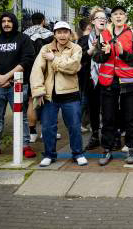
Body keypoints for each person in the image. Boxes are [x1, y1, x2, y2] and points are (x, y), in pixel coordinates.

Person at [0, 12, 36, 158]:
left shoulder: (23, 39)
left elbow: (27, 60)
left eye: (9, 21)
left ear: (14, 22)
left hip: (17, 85)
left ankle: (25, 145)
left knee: (21, 116)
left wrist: (6, 77)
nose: (6, 24)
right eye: (3, 21)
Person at [30, 21, 87, 167]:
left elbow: (73, 66)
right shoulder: (45, 48)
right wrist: (38, 91)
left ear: (69, 33)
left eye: (65, 31)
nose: (62, 35)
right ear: (54, 34)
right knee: (48, 127)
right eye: (59, 32)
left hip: (71, 93)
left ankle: (78, 153)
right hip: (50, 94)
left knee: (74, 126)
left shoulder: (76, 48)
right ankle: (49, 155)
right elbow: (37, 70)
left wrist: (54, 59)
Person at [93, 5, 133, 166]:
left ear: (126, 17)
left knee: (131, 118)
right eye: (115, 14)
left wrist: (122, 53)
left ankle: (132, 148)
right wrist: (105, 53)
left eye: (121, 14)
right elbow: (97, 58)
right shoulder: (103, 35)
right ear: (111, 18)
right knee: (107, 118)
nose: (118, 17)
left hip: (129, 83)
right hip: (108, 82)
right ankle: (107, 150)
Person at [23, 12, 55, 143]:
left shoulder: (24, 35)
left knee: (31, 100)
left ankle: (32, 132)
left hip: (29, 71)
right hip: (47, 69)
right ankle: (46, 131)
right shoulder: (49, 34)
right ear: (43, 20)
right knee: (49, 100)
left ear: (31, 21)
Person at [80, 8, 107, 150]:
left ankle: (110, 136)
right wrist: (91, 50)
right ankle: (95, 135)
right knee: (93, 110)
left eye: (104, 18)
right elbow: (79, 58)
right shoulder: (84, 40)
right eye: (99, 18)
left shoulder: (110, 37)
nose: (102, 20)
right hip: (91, 79)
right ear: (92, 21)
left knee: (109, 109)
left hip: (108, 78)